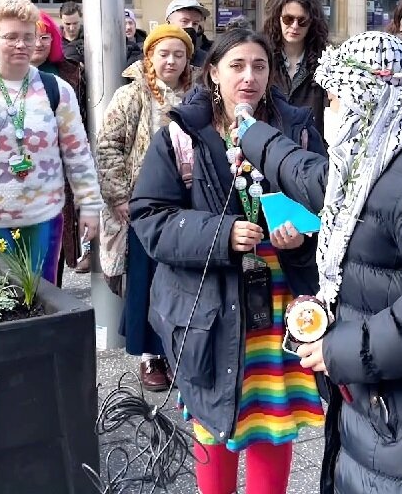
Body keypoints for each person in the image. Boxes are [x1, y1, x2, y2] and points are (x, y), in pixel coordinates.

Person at [237, 31, 402, 494]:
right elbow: (305, 173)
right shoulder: (365, 168)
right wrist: (251, 133)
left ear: (367, 101)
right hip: (380, 402)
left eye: (336, 99)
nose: (329, 111)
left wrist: (344, 349)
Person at [130, 28, 326, 494]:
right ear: (213, 73)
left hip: (279, 301)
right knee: (213, 418)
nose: (249, 77)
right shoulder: (181, 136)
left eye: (259, 66)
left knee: (273, 421)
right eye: (237, 66)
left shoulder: (296, 130)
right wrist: (221, 235)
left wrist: (299, 238)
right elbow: (149, 217)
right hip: (209, 306)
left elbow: (327, 205)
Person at [0, 0, 104, 284]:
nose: (21, 45)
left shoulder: (55, 89)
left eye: (28, 37)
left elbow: (77, 152)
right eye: (11, 37)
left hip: (41, 220)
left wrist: (90, 205)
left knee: (39, 307)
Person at [96, 25, 196, 392]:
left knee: (182, 280)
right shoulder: (131, 95)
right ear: (150, 55)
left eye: (179, 54)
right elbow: (108, 147)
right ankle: (150, 355)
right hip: (145, 205)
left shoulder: (196, 95)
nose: (171, 61)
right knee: (147, 279)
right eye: (164, 53)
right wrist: (120, 197)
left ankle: (179, 350)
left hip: (188, 205)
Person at [36, 11, 94, 275]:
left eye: (44, 37)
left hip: (59, 174)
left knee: (54, 245)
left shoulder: (70, 74)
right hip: (15, 179)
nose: (38, 43)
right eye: (31, 37)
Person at [262, 0, 331, 142]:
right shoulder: (263, 58)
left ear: (312, 23)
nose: (294, 26)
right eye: (288, 19)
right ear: (277, 18)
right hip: (272, 149)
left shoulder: (326, 62)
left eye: (302, 21)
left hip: (314, 151)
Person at [166, 0, 213, 67]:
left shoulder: (205, 60)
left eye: (195, 23)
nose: (190, 26)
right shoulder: (154, 54)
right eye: (184, 21)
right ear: (169, 23)